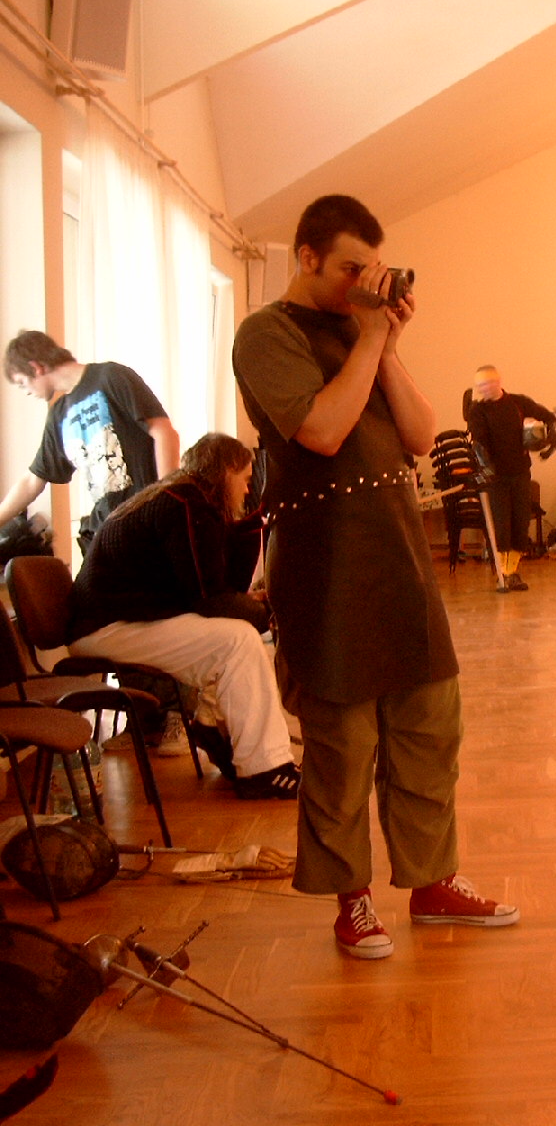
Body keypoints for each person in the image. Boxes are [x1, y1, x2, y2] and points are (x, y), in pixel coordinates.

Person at [233, 194, 517, 961]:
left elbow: (420, 434)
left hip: (399, 557)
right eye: (351, 267)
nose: (364, 282)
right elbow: (323, 431)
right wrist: (367, 339)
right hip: (325, 566)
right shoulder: (266, 333)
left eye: (374, 269)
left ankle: (433, 882)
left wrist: (385, 342)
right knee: (342, 747)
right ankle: (352, 901)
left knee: (431, 728)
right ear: (308, 257)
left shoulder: (363, 332)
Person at [67, 434, 300, 800]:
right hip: (105, 627)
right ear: (226, 470)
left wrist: (246, 538)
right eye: (244, 479)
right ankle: (264, 768)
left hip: (113, 621)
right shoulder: (186, 506)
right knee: (237, 640)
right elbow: (209, 599)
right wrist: (269, 610)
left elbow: (212, 591)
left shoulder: (177, 497)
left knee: (236, 634)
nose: (246, 489)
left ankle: (213, 726)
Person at [1, 331, 180, 557]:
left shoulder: (111, 377)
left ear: (36, 367)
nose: (26, 392)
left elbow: (164, 433)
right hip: (107, 532)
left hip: (145, 523)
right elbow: (32, 481)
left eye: (22, 383)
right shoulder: (59, 415)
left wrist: (164, 500)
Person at [465, 364, 556, 591]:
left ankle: (513, 571)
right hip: (495, 477)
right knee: (501, 525)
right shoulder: (478, 411)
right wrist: (485, 468)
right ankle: (502, 573)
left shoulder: (518, 402)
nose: (482, 389)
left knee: (520, 523)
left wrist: (551, 441)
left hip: (520, 473)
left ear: (497, 381)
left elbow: (549, 418)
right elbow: (478, 442)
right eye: (479, 386)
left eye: (485, 384)